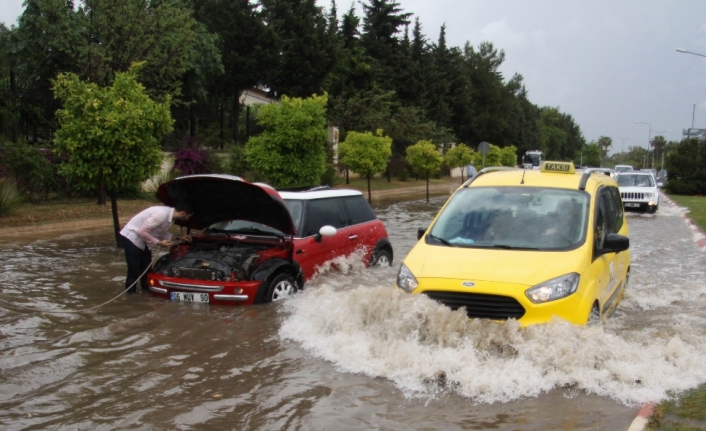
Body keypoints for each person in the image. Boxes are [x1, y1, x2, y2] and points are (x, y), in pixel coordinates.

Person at [119, 202, 194, 293]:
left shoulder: (170, 217)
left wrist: (179, 237)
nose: (187, 219)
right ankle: (130, 295)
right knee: (134, 269)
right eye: (188, 217)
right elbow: (141, 232)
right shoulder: (161, 215)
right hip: (132, 238)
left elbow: (158, 232)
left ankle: (146, 293)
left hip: (144, 239)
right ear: (183, 213)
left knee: (146, 269)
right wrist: (158, 242)